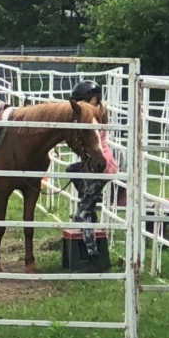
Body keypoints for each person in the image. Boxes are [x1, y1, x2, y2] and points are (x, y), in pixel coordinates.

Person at [66, 79, 118, 247]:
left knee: (83, 214)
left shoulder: (92, 117)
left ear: (93, 100)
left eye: (82, 100)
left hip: (100, 168)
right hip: (98, 165)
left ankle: (92, 254)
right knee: (71, 170)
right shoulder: (96, 113)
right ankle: (89, 197)